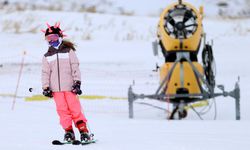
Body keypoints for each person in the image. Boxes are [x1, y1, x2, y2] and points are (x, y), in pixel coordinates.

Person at [41, 22, 90, 142]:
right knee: (62, 111)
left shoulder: (68, 51)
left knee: (75, 110)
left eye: (54, 38)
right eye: (49, 39)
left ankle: (83, 132)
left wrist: (77, 82)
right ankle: (68, 132)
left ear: (60, 37)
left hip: (70, 88)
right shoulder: (47, 56)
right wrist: (46, 87)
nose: (52, 41)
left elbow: (75, 67)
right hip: (56, 90)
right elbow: (45, 73)